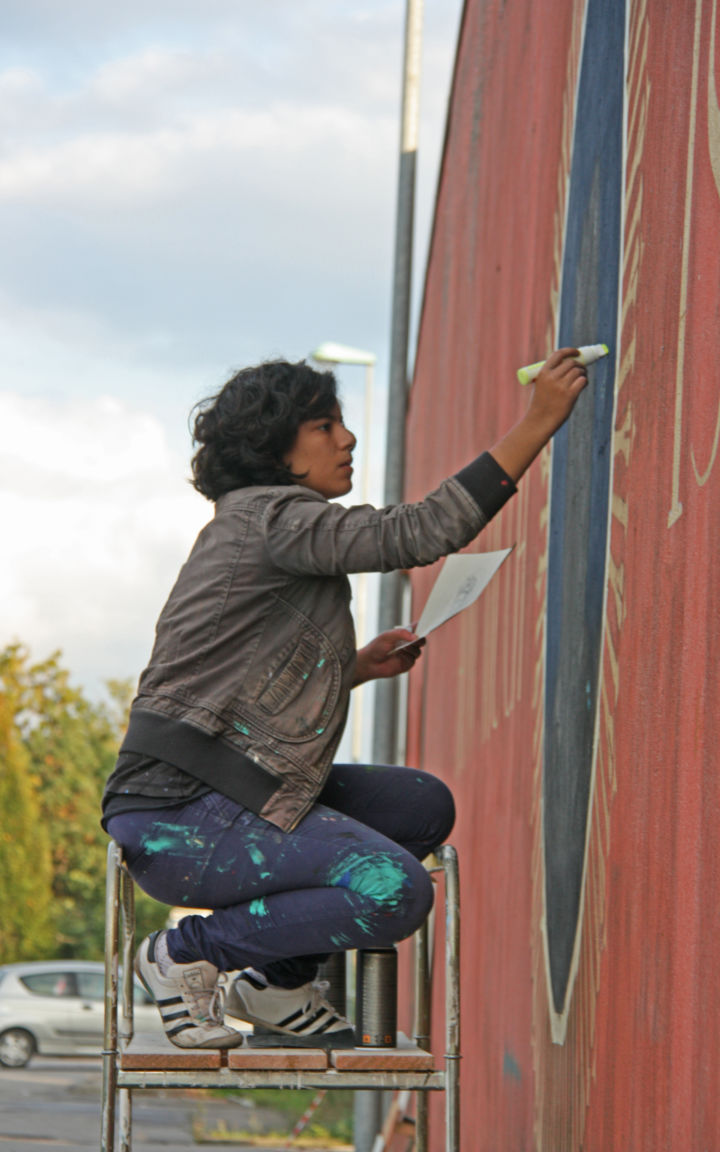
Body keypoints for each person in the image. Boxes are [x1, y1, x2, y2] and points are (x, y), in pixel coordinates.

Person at [101, 348, 587, 1050]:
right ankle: (185, 954)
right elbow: (420, 532)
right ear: (276, 445)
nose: (347, 439)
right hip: (180, 815)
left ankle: (276, 985)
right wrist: (538, 420)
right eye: (325, 425)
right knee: (395, 890)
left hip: (223, 794)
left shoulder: (264, 529)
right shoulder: (272, 517)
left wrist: (351, 669)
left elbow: (231, 677)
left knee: (421, 808)